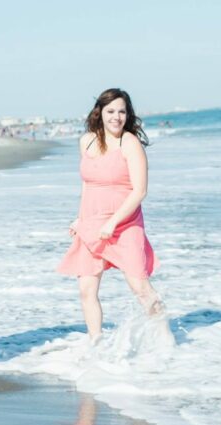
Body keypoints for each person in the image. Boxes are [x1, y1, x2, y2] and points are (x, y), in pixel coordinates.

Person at [57, 88, 164, 343]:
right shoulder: (87, 141)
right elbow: (88, 184)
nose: (116, 117)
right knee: (86, 289)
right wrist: (80, 218)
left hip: (125, 222)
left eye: (122, 111)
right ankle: (96, 343)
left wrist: (113, 221)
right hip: (92, 221)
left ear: (128, 115)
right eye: (111, 111)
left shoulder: (130, 143)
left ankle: (164, 338)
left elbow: (140, 191)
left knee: (139, 286)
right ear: (99, 113)